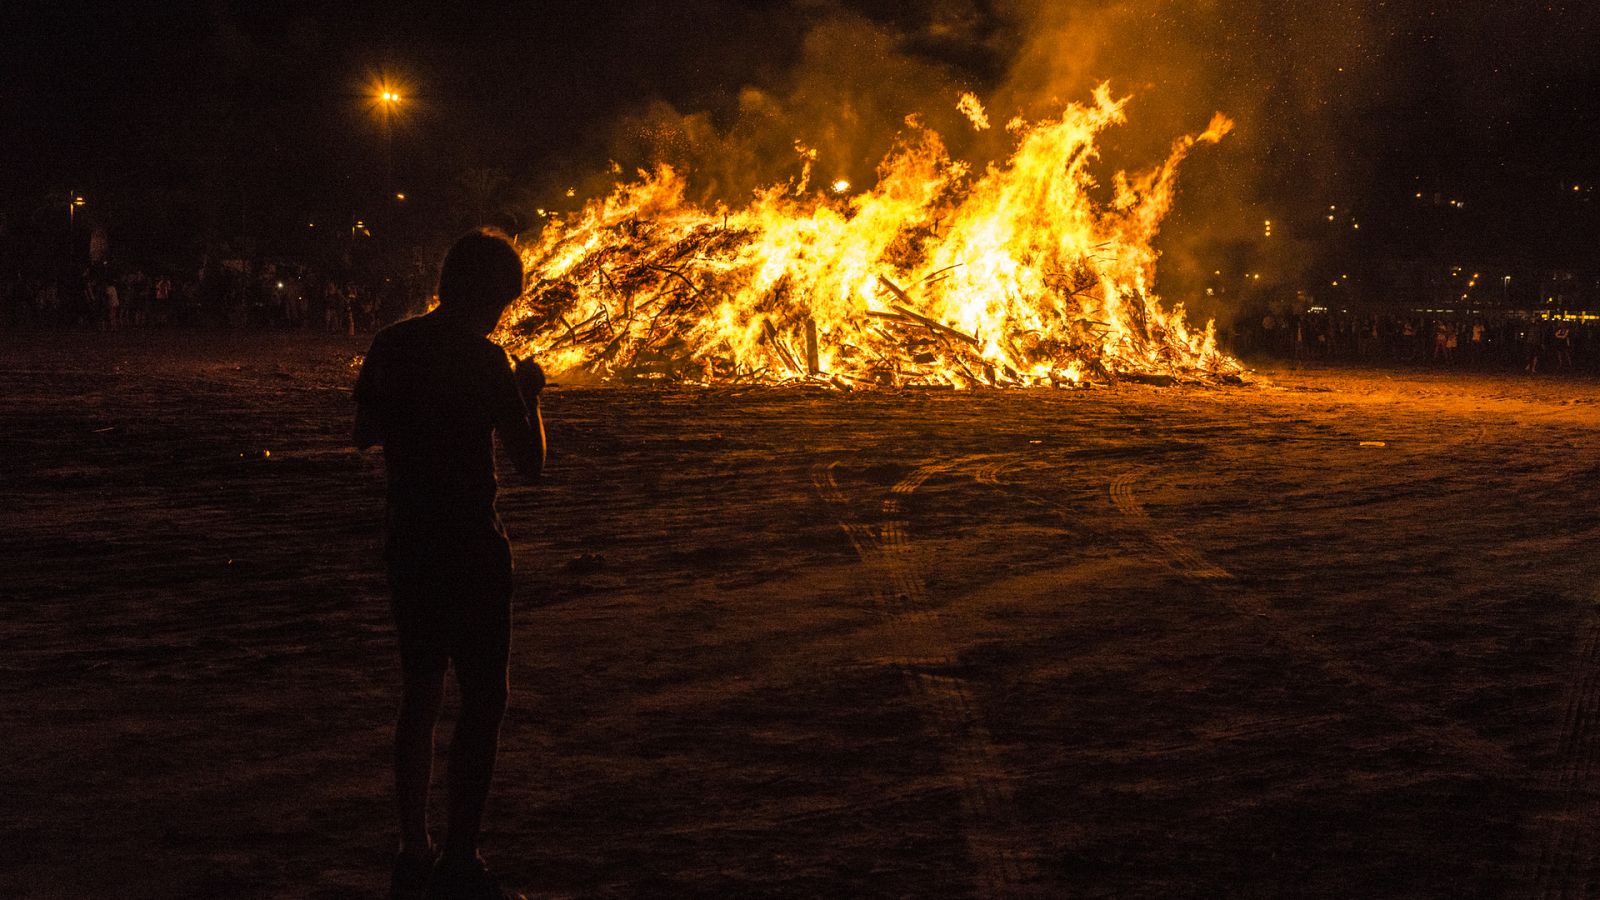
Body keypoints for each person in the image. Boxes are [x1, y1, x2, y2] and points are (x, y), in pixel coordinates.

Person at [353, 229, 545, 900]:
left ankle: (413, 846)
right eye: (502, 299)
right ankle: (461, 854)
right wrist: (532, 394)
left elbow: (364, 434)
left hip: (409, 539)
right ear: (482, 292)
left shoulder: (391, 346)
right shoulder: (486, 360)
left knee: (421, 693)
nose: (503, 314)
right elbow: (532, 464)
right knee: (484, 699)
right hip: (471, 542)